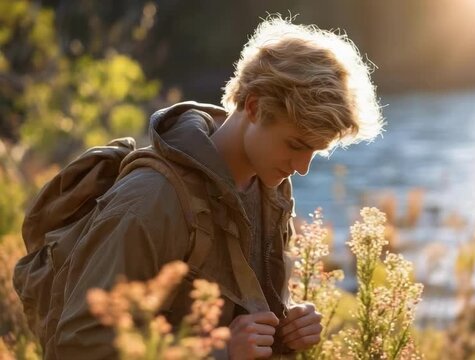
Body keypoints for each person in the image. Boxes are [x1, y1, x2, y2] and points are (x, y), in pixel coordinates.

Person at [53, 15, 383, 359]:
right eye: (296, 145)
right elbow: (78, 344)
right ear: (254, 107)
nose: (302, 168)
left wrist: (287, 328)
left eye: (316, 151)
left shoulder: (270, 188)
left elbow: (242, 313)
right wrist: (220, 351)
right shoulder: (151, 199)